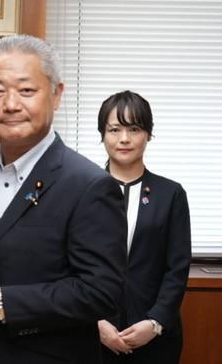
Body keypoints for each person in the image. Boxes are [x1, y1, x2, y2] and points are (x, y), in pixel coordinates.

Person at [0, 34, 128, 364]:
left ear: (56, 95)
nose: (11, 104)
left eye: (26, 91)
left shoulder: (90, 185)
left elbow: (101, 293)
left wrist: (2, 302)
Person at [96, 90, 191, 363]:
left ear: (148, 134)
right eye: (114, 129)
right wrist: (96, 323)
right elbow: (68, 264)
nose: (124, 139)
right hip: (92, 334)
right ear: (103, 134)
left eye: (134, 129)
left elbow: (177, 267)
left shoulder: (171, 194)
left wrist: (156, 322)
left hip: (155, 337)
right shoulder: (82, 191)